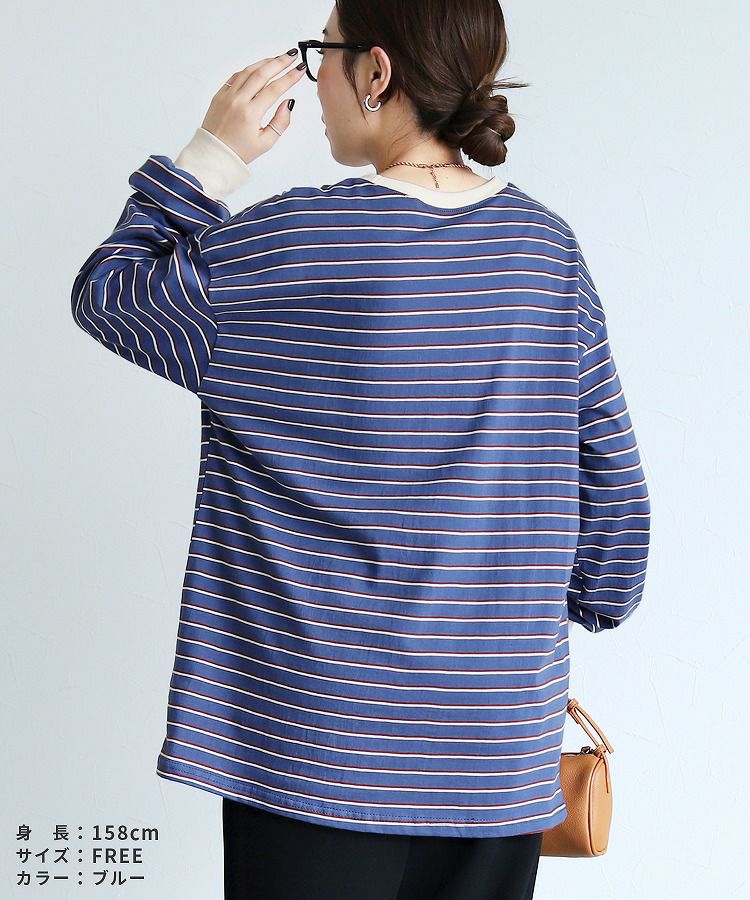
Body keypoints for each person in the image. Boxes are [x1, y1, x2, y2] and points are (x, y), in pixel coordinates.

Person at [70, 1, 651, 897]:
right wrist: (568, 608)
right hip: (496, 743)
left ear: (376, 72)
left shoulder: (295, 241)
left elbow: (112, 293)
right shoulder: (544, 251)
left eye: (324, 54)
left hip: (315, 741)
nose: (317, 81)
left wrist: (213, 152)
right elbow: (609, 475)